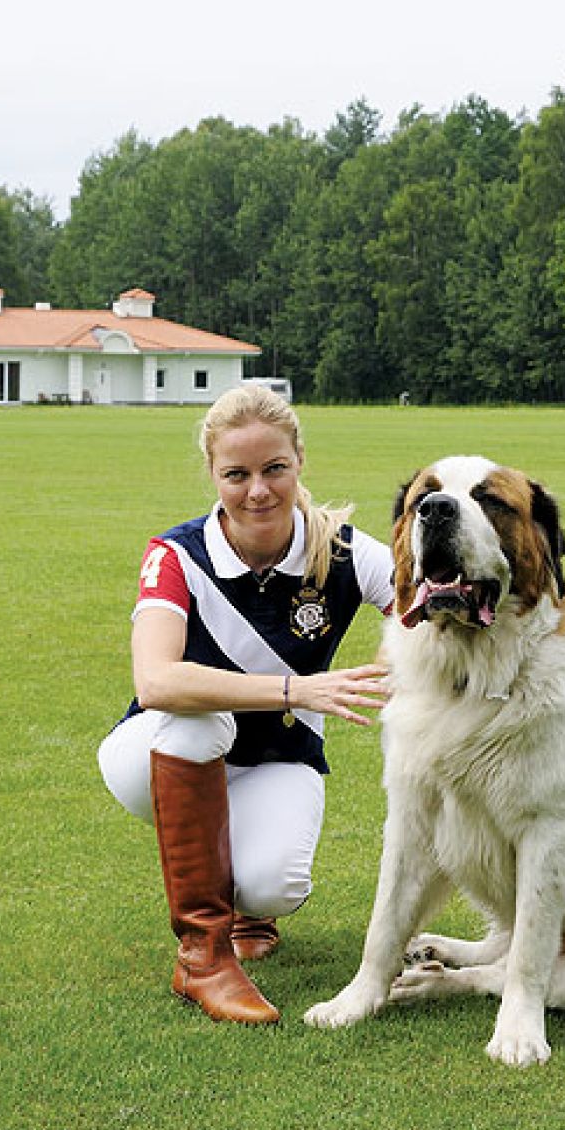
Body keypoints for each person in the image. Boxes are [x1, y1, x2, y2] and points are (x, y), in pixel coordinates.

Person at [98, 384, 393, 1025]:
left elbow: (430, 611)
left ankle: (245, 906)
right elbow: (156, 682)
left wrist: (544, 614)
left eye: (273, 469)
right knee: (196, 718)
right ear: (213, 474)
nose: (257, 491)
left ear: (299, 462)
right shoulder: (176, 554)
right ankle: (202, 957)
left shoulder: (345, 550)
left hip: (274, 760)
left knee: (275, 886)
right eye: (237, 475)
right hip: (154, 753)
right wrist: (297, 689)